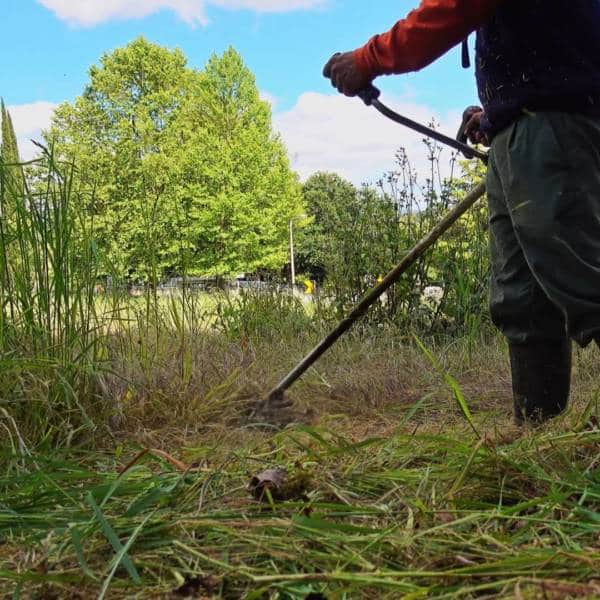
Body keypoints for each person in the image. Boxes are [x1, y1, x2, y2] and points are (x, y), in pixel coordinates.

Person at [323, 0, 600, 425]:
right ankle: (539, 439)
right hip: (526, 127)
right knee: (522, 300)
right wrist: (497, 115)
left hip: (553, 126)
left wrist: (367, 59)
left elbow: (458, 6)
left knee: (584, 281)